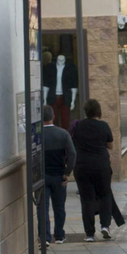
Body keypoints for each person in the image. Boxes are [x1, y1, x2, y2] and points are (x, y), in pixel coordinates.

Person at [70, 98, 116, 242]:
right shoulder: (104, 126)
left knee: (87, 199)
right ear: (99, 111)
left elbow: (73, 142)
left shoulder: (78, 126)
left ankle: (89, 234)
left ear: (86, 111)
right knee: (104, 195)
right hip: (101, 165)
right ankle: (105, 226)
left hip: (82, 166)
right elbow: (110, 146)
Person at [38, 105, 75, 245]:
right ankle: (59, 236)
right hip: (59, 176)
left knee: (43, 207)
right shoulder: (63, 134)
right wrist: (67, 172)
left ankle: (45, 237)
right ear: (53, 117)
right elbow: (72, 154)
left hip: (42, 177)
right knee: (59, 207)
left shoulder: (37, 135)